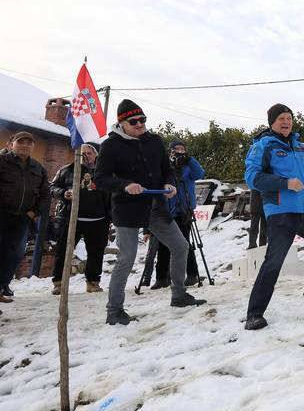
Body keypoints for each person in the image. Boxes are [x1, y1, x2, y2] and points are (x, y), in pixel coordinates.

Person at [95, 100, 207, 326]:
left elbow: (167, 170)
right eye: (133, 121)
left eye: (142, 119)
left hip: (155, 207)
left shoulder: (155, 141)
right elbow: (101, 178)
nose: (139, 124)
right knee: (126, 257)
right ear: (121, 123)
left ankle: (179, 295)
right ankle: (114, 310)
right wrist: (125, 185)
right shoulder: (110, 146)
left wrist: (168, 184)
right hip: (127, 209)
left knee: (180, 246)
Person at [243, 104, 304, 330]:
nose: (286, 121)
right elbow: (252, 178)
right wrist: (285, 183)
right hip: (280, 214)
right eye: (281, 118)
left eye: (289, 118)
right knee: (274, 263)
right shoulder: (263, 146)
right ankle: (254, 314)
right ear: (272, 122)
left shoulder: (301, 148)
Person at [49, 141, 110, 295]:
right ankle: (59, 283)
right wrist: (63, 193)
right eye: (82, 153)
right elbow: (52, 187)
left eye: (89, 153)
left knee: (96, 253)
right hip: (71, 218)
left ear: (96, 155)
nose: (85, 156)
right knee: (63, 251)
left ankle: (92, 282)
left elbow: (112, 194)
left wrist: (111, 216)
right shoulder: (66, 170)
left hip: (98, 220)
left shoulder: (104, 172)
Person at [0, 132, 50, 303]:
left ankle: (2, 287)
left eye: (29, 143)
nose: (25, 145)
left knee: (13, 254)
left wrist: (34, 212)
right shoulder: (2, 162)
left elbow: (45, 195)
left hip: (22, 218)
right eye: (21, 142)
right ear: (11, 144)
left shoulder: (38, 168)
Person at [151, 140, 205, 289]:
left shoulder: (188, 165)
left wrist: (190, 160)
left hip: (184, 210)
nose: (180, 151)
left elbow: (200, 174)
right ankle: (162, 277)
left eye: (182, 148)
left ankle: (192, 274)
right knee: (163, 244)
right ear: (171, 151)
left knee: (184, 242)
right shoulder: (165, 164)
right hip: (166, 209)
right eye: (177, 149)